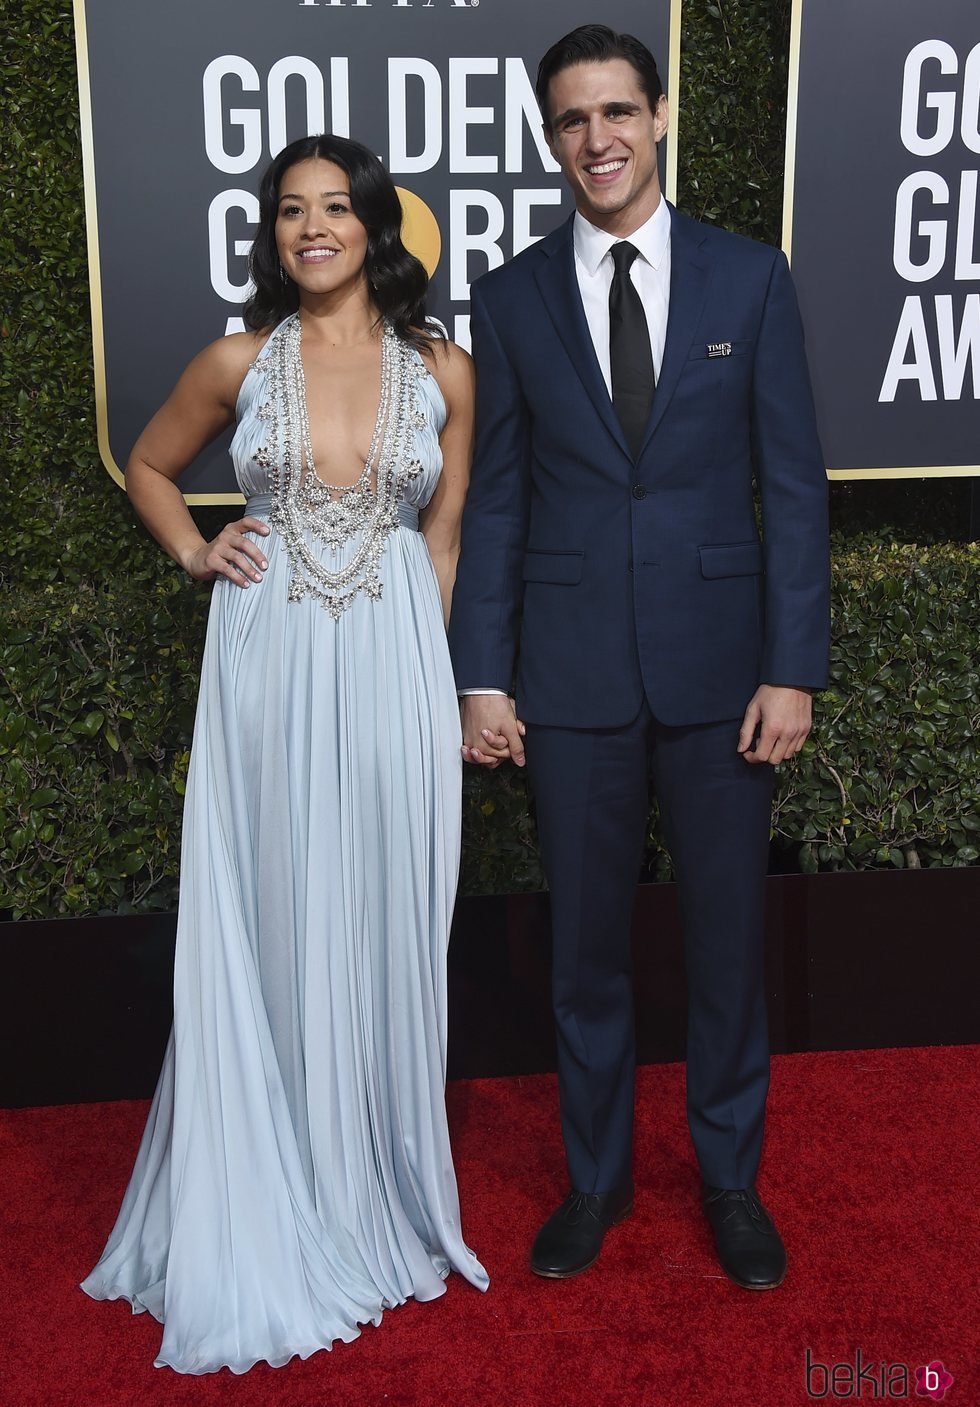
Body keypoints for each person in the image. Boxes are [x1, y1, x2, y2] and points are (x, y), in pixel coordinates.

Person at [81, 133, 487, 1373]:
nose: (311, 228)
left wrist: (440, 691)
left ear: (376, 224)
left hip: (394, 673)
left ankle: (369, 1188)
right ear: (272, 236)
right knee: (273, 913)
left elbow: (446, 538)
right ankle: (275, 1195)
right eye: (288, 213)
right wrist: (198, 551)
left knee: (381, 916)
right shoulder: (233, 361)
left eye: (334, 208)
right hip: (266, 668)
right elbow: (149, 465)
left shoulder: (447, 370)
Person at [449, 26, 830, 1290]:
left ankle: (730, 1183)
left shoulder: (748, 280)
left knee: (726, 947)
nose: (597, 139)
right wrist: (481, 673)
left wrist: (793, 667)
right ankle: (595, 1183)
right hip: (564, 681)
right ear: (548, 138)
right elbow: (494, 502)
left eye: (617, 111)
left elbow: (790, 486)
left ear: (657, 117)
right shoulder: (507, 299)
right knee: (585, 957)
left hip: (725, 675)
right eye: (570, 120)